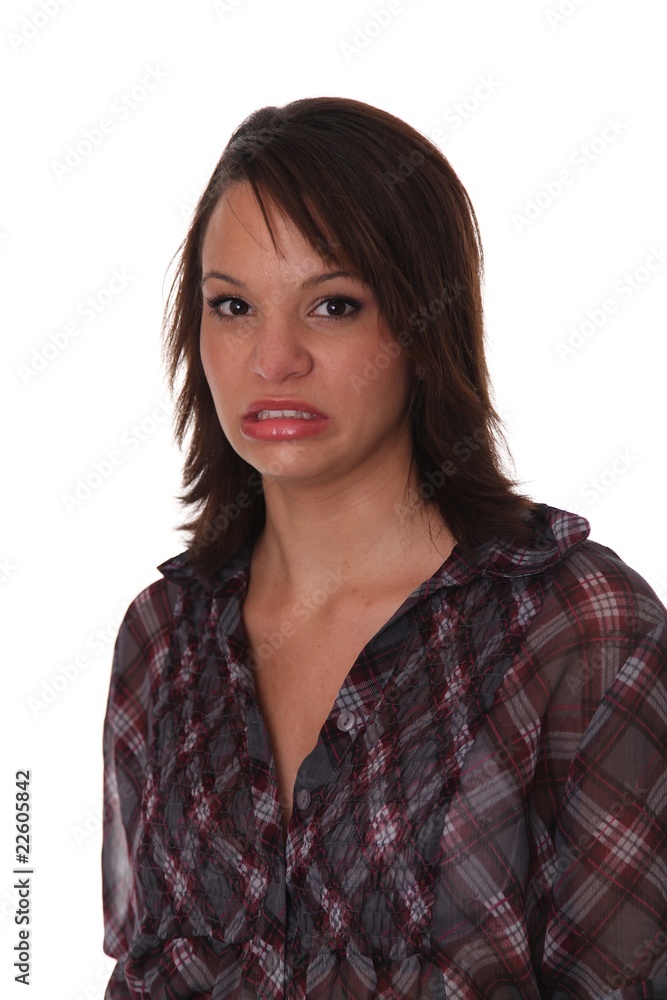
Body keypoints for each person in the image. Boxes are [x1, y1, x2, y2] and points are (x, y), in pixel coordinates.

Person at [101, 97, 667, 999]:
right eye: (233, 305)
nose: (273, 358)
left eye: (333, 305)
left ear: (421, 324)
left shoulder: (574, 629)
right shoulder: (163, 638)